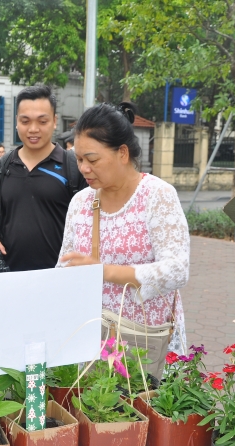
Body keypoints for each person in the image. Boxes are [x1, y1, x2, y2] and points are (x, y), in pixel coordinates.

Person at [57, 102, 190, 354]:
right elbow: (64, 267)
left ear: (123, 153)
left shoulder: (157, 196)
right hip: (93, 342)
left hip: (147, 344)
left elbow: (177, 270)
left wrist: (104, 271)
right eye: (79, 159)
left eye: (92, 159)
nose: (84, 168)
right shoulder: (81, 202)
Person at [0, 85, 86, 272]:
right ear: (17, 122)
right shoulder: (2, 167)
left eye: (42, 122)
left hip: (59, 276)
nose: (33, 129)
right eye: (25, 121)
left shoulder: (74, 167)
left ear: (54, 121)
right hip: (8, 276)